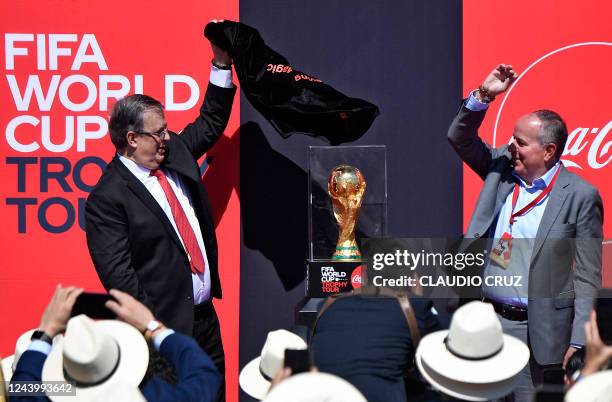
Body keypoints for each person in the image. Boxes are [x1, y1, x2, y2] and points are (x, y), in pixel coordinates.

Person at [85, 22, 236, 401]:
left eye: (167, 130)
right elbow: (119, 277)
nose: (167, 138)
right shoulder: (108, 197)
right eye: (158, 133)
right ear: (132, 139)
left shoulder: (175, 154)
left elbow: (211, 122)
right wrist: (156, 330)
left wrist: (221, 62)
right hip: (164, 336)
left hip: (206, 324)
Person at [447, 64, 603, 400]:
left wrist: (578, 340)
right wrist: (484, 96)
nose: (510, 146)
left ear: (548, 152)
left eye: (520, 142)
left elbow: (588, 276)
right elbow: (459, 137)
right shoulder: (500, 169)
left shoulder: (580, 196)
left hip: (537, 333)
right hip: (484, 322)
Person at [9, 285, 221, 402]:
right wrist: (154, 328)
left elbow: (23, 389)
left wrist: (46, 332)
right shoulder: (156, 396)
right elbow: (204, 375)